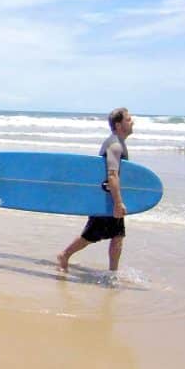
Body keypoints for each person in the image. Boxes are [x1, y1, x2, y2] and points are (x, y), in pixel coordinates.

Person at [57, 107, 135, 273]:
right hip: (106, 198)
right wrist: (118, 202)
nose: (132, 121)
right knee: (90, 236)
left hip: (109, 196)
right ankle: (64, 255)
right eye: (128, 119)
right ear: (118, 124)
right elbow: (112, 175)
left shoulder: (118, 142)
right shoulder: (115, 145)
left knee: (117, 236)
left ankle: (113, 272)